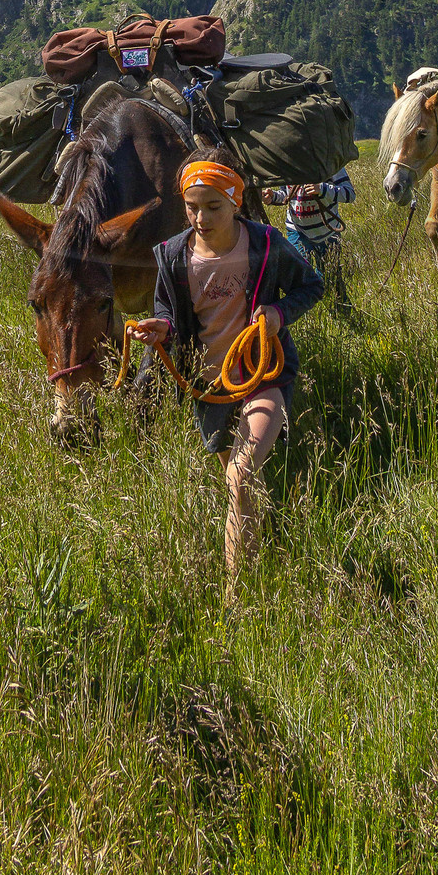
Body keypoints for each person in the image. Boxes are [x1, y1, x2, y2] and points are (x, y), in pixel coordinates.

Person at [134, 157, 324, 593]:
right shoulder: (173, 256)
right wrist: (162, 328)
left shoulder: (265, 243)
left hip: (264, 375)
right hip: (209, 385)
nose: (200, 218)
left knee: (239, 475)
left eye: (213, 207)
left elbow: (311, 285)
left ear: (236, 202)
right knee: (240, 486)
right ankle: (263, 556)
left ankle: (237, 597)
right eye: (192, 207)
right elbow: (168, 311)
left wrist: (278, 314)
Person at [263, 171, 356, 309]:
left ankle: (342, 311)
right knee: (299, 276)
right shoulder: (287, 165)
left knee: (332, 278)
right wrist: (273, 197)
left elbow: (349, 194)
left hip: (328, 232)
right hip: (298, 231)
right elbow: (286, 195)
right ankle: (304, 311)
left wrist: (322, 189)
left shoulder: (329, 163)